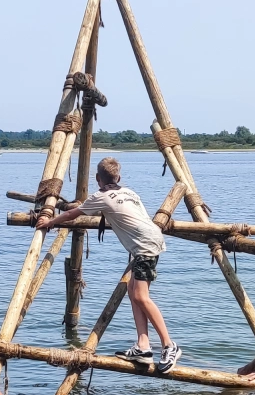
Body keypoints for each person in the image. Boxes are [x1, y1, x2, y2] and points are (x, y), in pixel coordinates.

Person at [37, 156, 181, 372]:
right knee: (133, 292)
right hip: (152, 238)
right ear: (119, 178)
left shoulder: (101, 196)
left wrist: (49, 222)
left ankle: (169, 345)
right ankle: (143, 346)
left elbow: (70, 214)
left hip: (145, 247)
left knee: (141, 296)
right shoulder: (130, 192)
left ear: (97, 178)